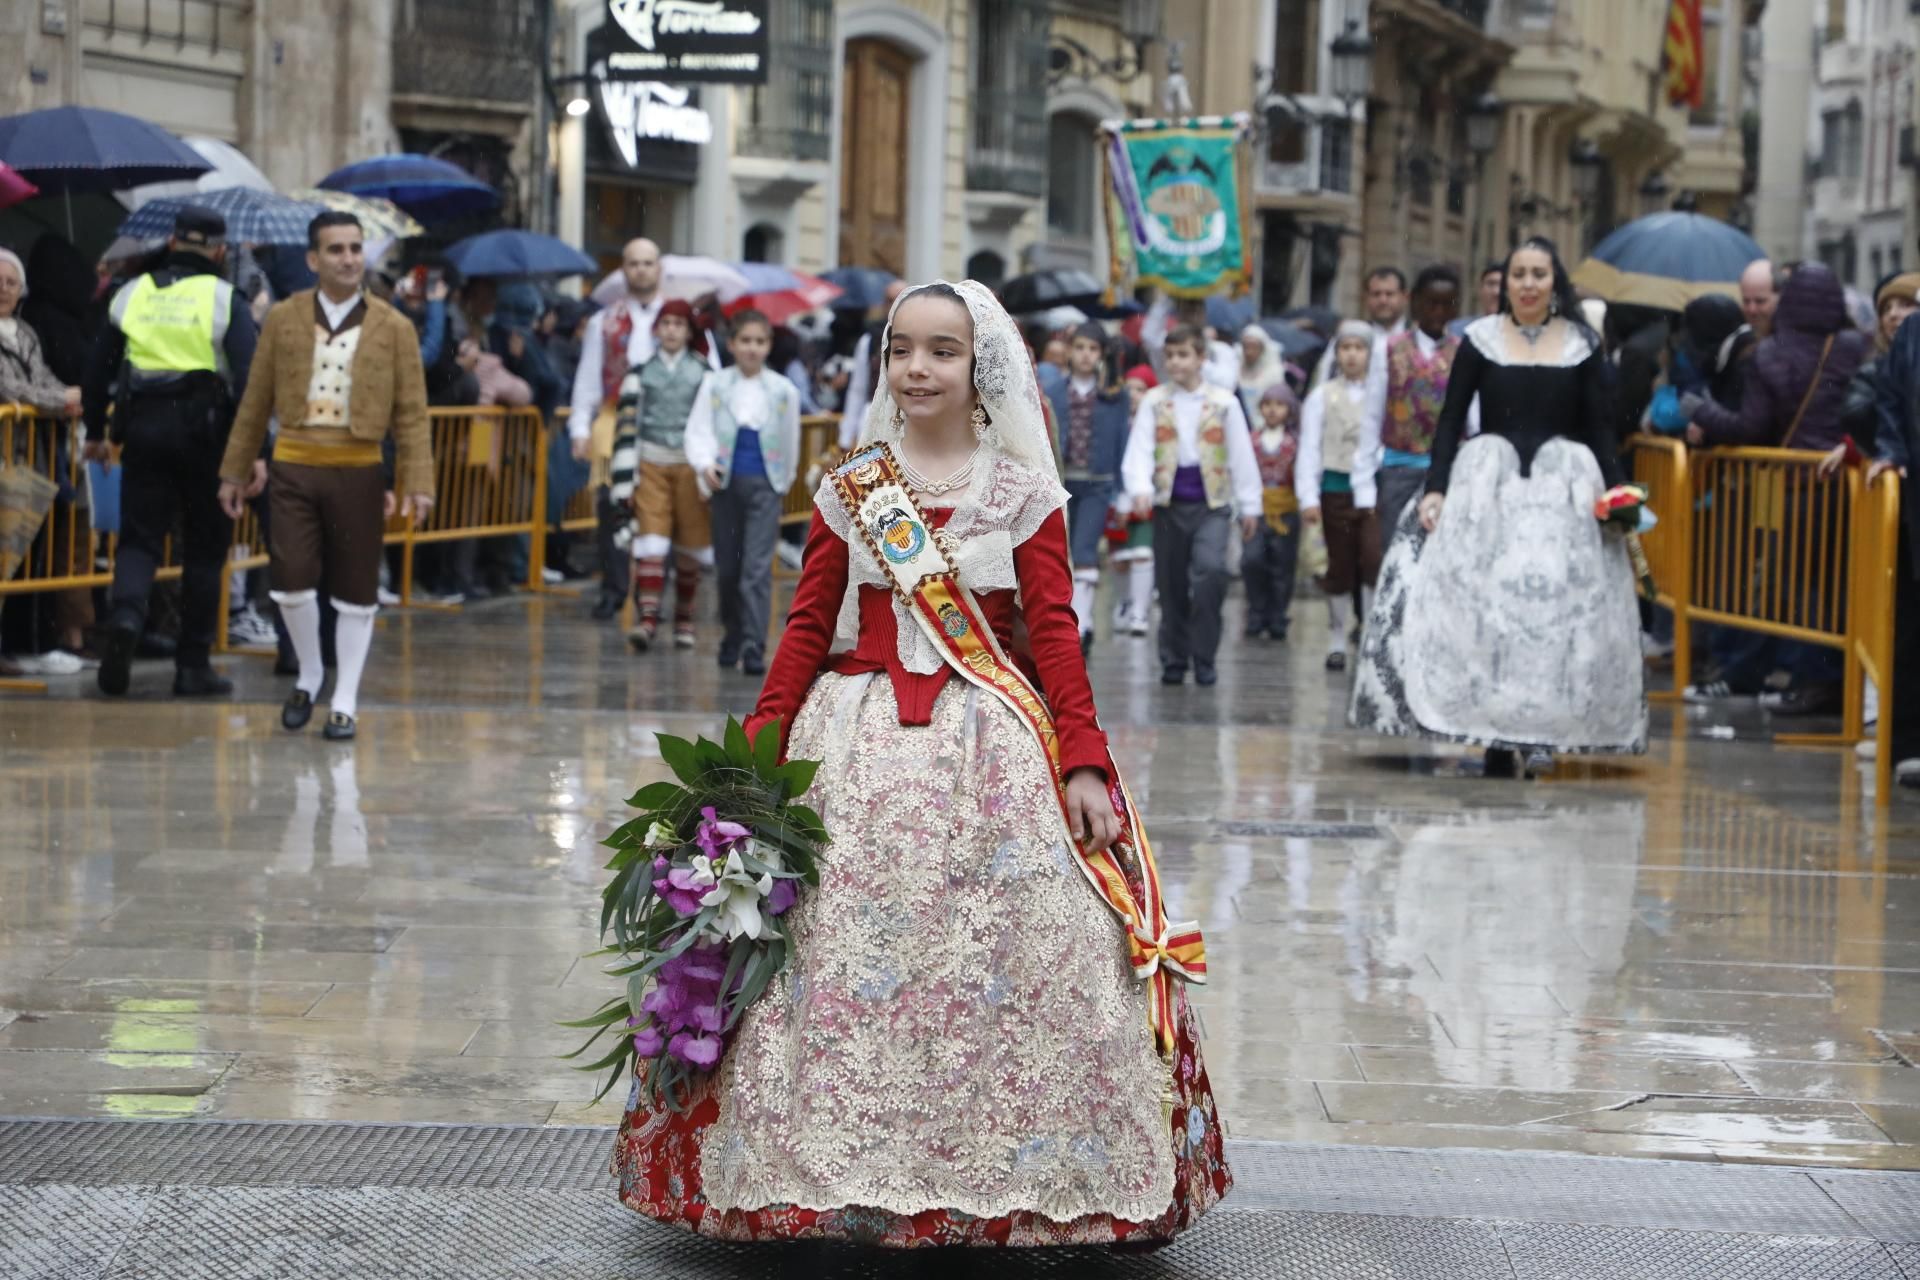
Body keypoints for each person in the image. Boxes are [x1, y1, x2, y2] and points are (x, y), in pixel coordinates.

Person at [613, 279, 1229, 1246]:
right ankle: (814, 1174)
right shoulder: (852, 486)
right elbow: (808, 627)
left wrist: (1083, 761)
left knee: (1015, 950)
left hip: (990, 753)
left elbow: (1056, 640)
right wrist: (755, 761)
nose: (918, 368)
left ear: (978, 366)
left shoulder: (1024, 494)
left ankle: (1011, 1178)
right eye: (902, 349)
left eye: (942, 350)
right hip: (849, 751)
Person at [1349, 236, 1645, 777]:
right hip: (1488, 490)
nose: (1528, 283)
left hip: (1563, 495)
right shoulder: (1480, 341)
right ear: (1505, 284)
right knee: (1488, 615)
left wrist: (1618, 492)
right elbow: (1450, 419)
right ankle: (1494, 737)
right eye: (1519, 274)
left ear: (1554, 282)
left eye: (1538, 273)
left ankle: (1544, 732)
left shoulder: (1581, 343)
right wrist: (1437, 487)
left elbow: (1602, 428)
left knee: (1554, 613)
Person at [217, 211, 434, 741]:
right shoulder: (284, 317)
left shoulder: (394, 325)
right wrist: (234, 470)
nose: (349, 258)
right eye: (336, 249)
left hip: (358, 467)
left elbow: (411, 411)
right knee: (290, 584)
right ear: (313, 259)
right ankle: (311, 673)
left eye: (356, 248)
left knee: (357, 588)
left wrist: (418, 481)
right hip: (293, 462)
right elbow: (255, 399)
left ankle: (345, 698)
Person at [81, 208, 258, 698]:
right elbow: (251, 383)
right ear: (220, 251)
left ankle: (126, 619)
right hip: (208, 439)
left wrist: (96, 431)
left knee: (139, 542)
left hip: (143, 433)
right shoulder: (225, 299)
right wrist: (253, 452)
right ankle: (192, 665)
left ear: (174, 240)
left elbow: (97, 371)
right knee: (205, 550)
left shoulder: (132, 292)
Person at [1682, 263, 1867, 715]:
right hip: (1851, 484)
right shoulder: (1853, 347)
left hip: (1798, 488)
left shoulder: (1770, 354)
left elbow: (1751, 426)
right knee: (1845, 585)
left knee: (1802, 587)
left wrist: (1700, 410)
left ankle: (1816, 681)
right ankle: (1842, 681)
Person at [1121, 324, 1262, 686]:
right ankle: (1173, 658)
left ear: (1201, 358)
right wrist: (1139, 486)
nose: (1175, 362)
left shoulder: (1224, 403)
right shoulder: (1155, 401)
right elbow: (1139, 448)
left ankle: (1204, 656)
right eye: (1169, 356)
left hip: (1211, 504)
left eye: (1183, 355)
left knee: (1209, 572)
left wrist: (1250, 504)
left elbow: (1241, 455)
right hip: (1169, 504)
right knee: (1169, 585)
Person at [683, 309, 800, 676]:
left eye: (760, 342)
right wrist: (704, 464)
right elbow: (698, 428)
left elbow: (790, 437)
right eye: (745, 341)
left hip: (764, 483)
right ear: (732, 344)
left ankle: (754, 642)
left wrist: (783, 479)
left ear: (769, 346)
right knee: (729, 567)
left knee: (756, 568)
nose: (752, 348)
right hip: (727, 483)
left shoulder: (783, 390)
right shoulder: (715, 384)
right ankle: (731, 634)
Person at [0, 245, 90, 676]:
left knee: (26, 556)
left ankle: (24, 644)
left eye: (11, 282)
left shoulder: (26, 333)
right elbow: (13, 389)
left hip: (28, 458)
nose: (3, 288)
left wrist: (64, 394)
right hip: (6, 456)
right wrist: (62, 400)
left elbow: (41, 376)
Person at [570, 238, 666, 619]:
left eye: (647, 262)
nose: (640, 269)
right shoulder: (603, 321)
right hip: (613, 419)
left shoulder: (677, 318)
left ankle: (653, 594)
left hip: (662, 423)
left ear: (659, 268)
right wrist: (580, 426)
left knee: (658, 508)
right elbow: (588, 378)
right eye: (633, 263)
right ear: (624, 270)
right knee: (612, 506)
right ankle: (613, 589)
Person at [611, 298, 712, 652]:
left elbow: (712, 424)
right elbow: (626, 425)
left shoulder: (703, 373)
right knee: (650, 542)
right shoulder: (640, 372)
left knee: (690, 544)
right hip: (650, 463)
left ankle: (684, 618)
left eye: (678, 324)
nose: (671, 330)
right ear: (656, 329)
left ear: (688, 331)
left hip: (689, 464)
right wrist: (624, 476)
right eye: (665, 323)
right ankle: (648, 619)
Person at [1297, 321, 1384, 671]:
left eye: (1359, 348)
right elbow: (1309, 447)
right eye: (1345, 348)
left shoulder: (1380, 394)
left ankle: (1368, 631)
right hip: (1334, 487)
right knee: (1340, 564)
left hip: (1374, 490)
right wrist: (1308, 496)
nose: (1352, 355)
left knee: (1372, 558)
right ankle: (1336, 635)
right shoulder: (1322, 395)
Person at [1044, 323, 1131, 649]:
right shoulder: (1053, 390)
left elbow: (1123, 440)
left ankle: (1082, 621)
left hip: (1097, 481)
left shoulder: (1114, 394)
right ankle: (1064, 615)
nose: (1085, 355)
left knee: (1085, 549)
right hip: (1061, 483)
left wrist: (1122, 490)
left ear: (1101, 354)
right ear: (1070, 350)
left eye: (1092, 349)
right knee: (1059, 551)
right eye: (1079, 347)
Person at [1372, 265, 1465, 549]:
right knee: (1396, 550)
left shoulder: (1463, 351)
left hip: (1448, 470)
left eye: (1446, 304)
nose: (1438, 312)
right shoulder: (1388, 349)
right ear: (1415, 302)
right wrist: (1365, 477)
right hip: (1398, 468)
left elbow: (1471, 416)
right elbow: (1373, 413)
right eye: (1431, 303)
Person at [1245, 381, 1303, 641]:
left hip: (1286, 508)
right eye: (1267, 404)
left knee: (1282, 564)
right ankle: (1256, 611)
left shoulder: (1296, 442)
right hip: (1257, 508)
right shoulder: (1251, 439)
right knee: (1253, 560)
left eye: (1279, 405)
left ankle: (1278, 615)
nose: (1272, 410)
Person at [1109, 364, 1159, 636]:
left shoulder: (1155, 421)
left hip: (1144, 495)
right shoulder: (1117, 421)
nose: (1135, 395)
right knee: (1120, 557)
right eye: (1130, 389)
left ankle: (1140, 609)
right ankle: (1125, 601)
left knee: (1142, 553)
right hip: (1116, 495)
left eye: (1141, 390)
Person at [837, 278, 907, 450]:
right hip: (874, 421)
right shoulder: (869, 340)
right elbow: (858, 388)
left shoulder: (924, 339)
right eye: (890, 300)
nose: (894, 305)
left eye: (900, 299)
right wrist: (846, 436)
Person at [1234, 323, 1287, 425]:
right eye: (1246, 347)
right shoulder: (1235, 368)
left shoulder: (1274, 373)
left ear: (1262, 349)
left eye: (1254, 347)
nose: (1249, 352)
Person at [1448, 261, 1503, 339]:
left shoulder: (1522, 332)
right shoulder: (1459, 330)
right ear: (1480, 289)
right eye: (1491, 284)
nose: (1496, 292)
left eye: (1503, 285)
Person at [1740, 259, 1782, 340]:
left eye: (1760, 301)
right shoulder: (1738, 344)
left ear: (1780, 298)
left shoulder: (1797, 345)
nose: (1752, 310)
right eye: (1746, 301)